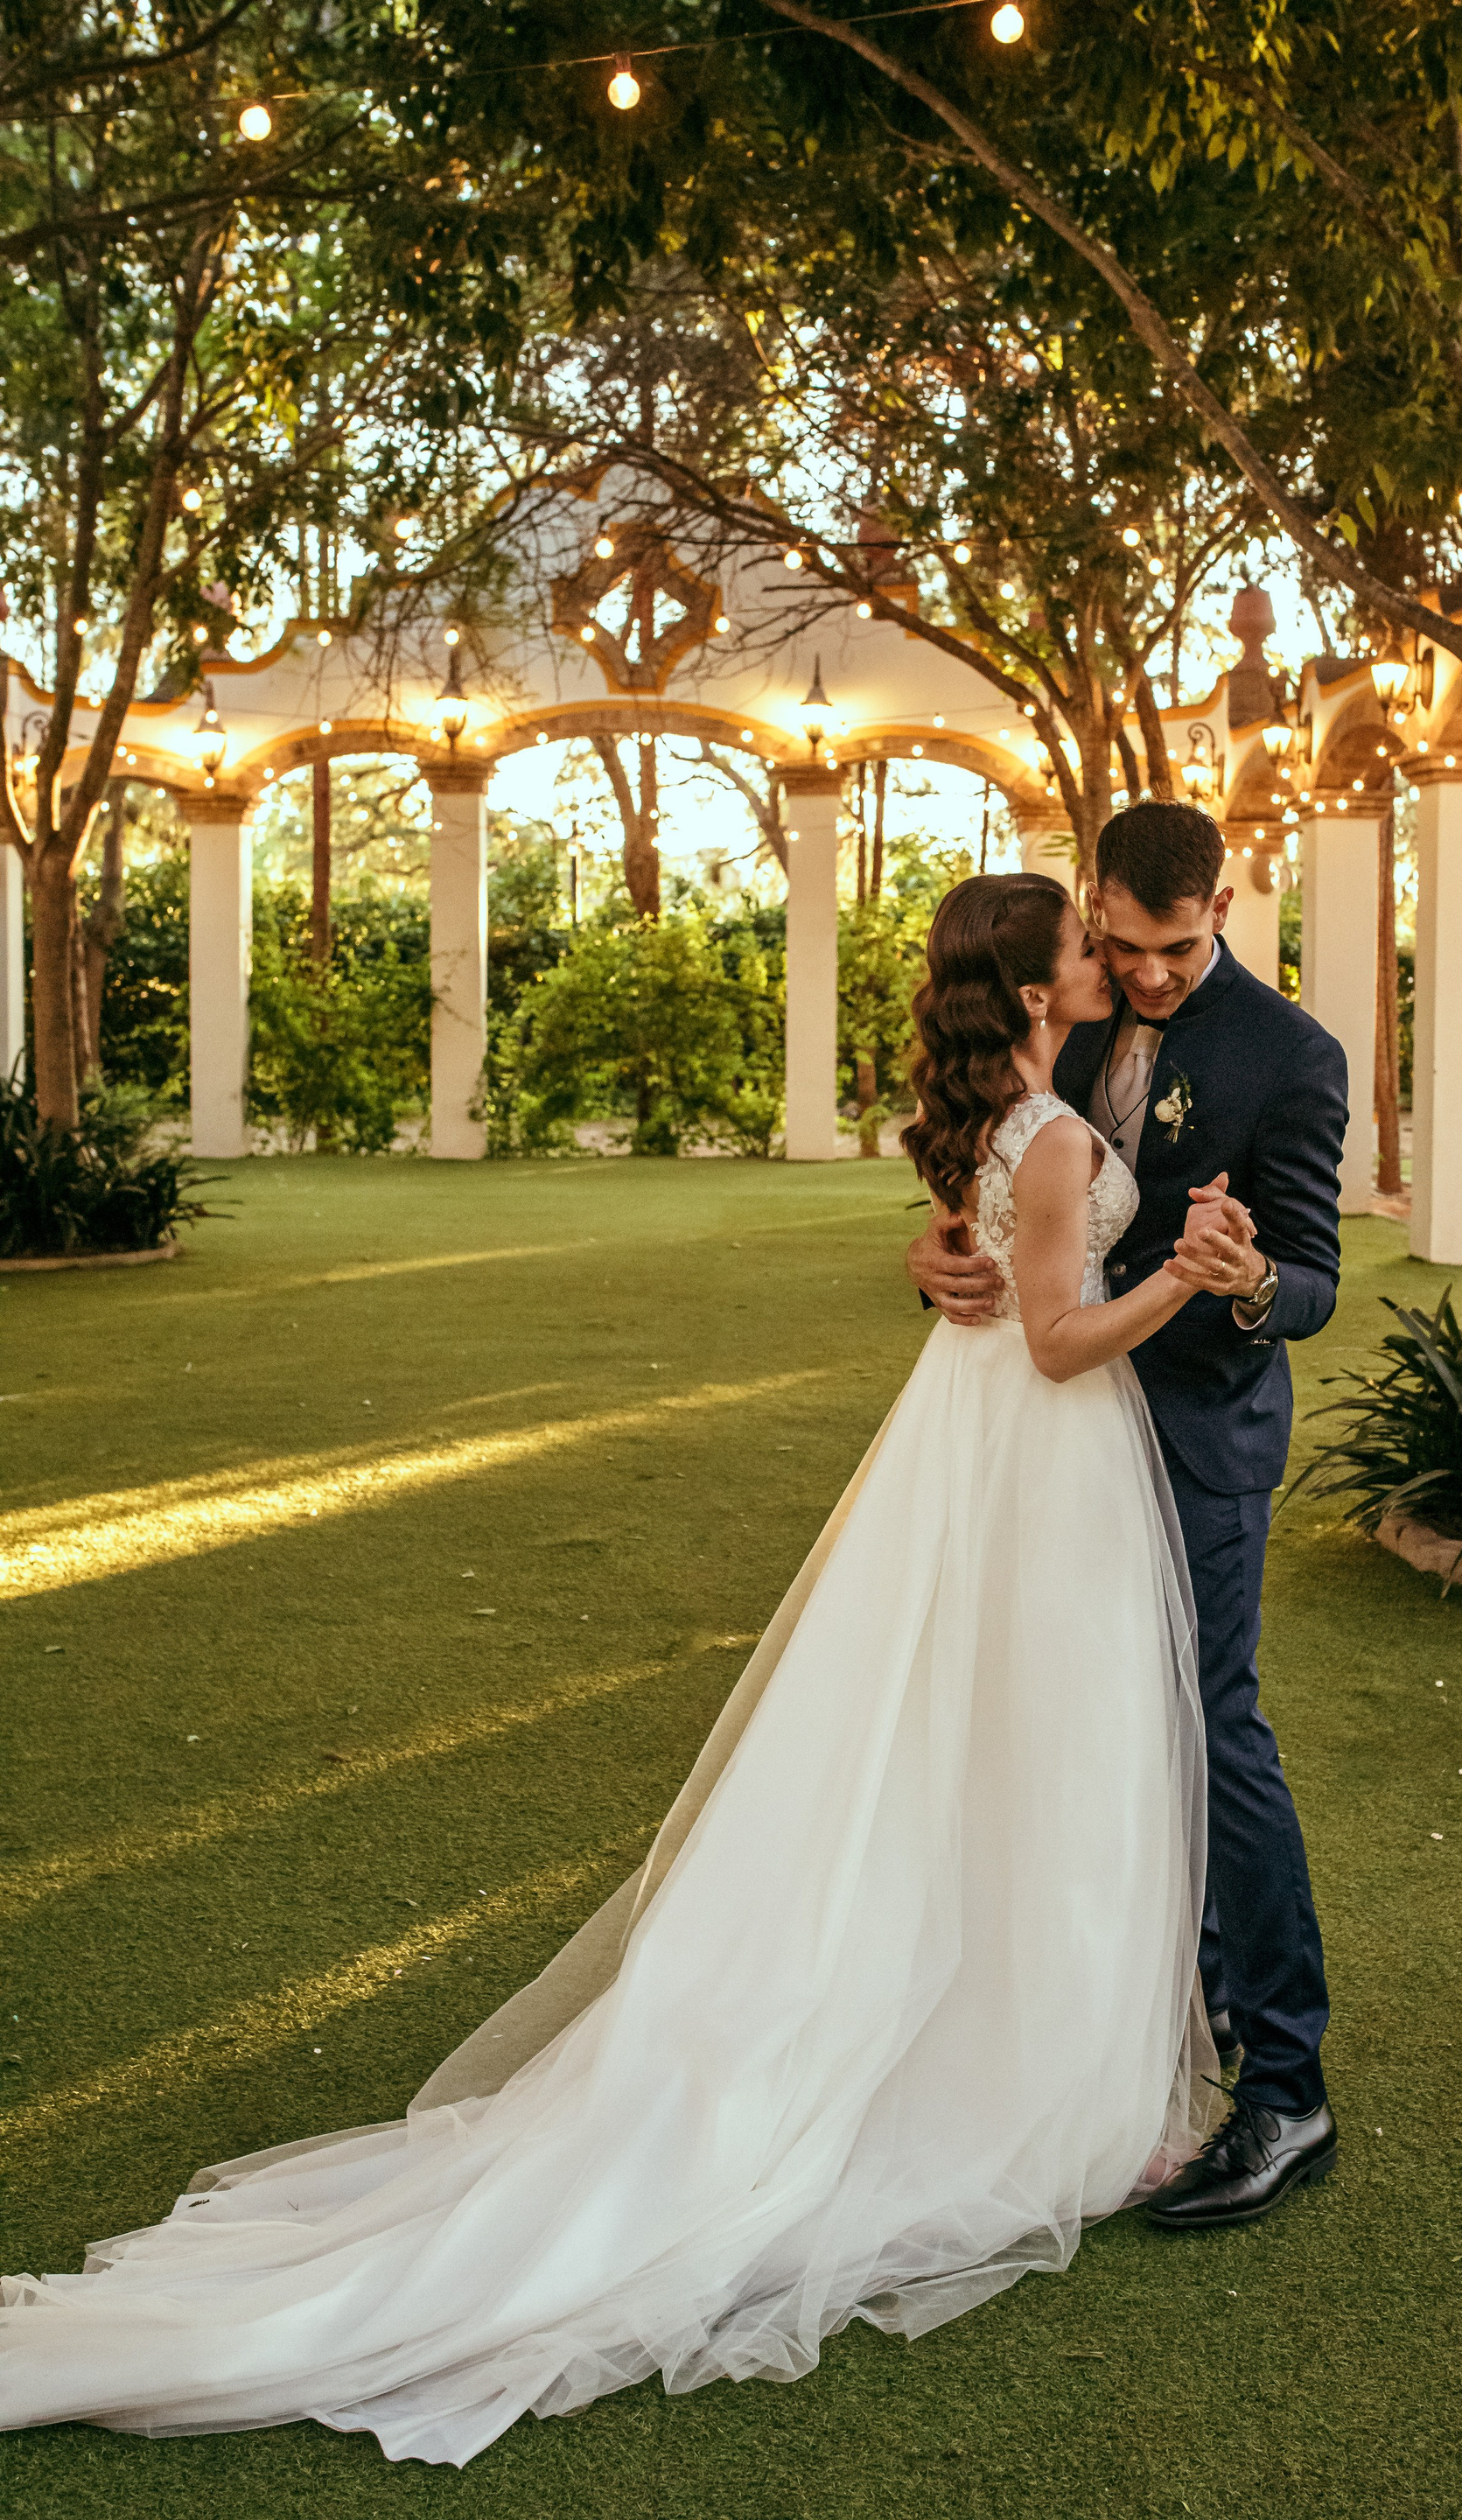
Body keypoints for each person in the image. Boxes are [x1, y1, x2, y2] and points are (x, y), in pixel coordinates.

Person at [2, 873, 1243, 2469]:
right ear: (1028, 990)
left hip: (977, 1446)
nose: (1104, 962)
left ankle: (1018, 2043)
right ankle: (1030, 2082)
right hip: (1040, 1455)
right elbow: (1060, 1340)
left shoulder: (996, 1124)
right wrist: (1185, 1271)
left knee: (970, 1750)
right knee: (1043, 1754)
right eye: (1081, 946)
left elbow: (977, 1259)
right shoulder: (1055, 1138)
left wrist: (978, 1263)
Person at [909, 803, 1347, 2231]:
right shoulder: (1071, 1005)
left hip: (1195, 1438)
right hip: (1052, 1451)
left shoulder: (1290, 1055)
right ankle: (1115, 2026)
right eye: (1124, 945)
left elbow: (1312, 1281)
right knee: (1064, 1734)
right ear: (1091, 914)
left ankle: (1285, 2084)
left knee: (1215, 1735)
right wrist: (938, 1253)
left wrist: (1242, 1277)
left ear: (1222, 905)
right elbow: (1007, 1184)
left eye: (1176, 947)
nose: (1147, 974)